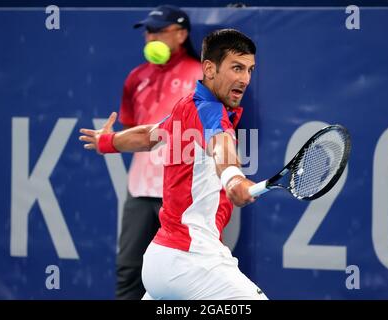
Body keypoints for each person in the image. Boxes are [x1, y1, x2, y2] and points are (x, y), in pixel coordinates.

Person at [80, 29, 267, 300]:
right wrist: (233, 179)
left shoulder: (186, 106)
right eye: (236, 68)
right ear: (209, 69)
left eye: (250, 70)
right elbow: (221, 146)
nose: (245, 79)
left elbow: (147, 136)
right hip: (193, 261)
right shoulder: (212, 113)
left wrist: (107, 142)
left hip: (160, 262)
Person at [116, 5, 202, 300]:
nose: (151, 37)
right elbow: (131, 127)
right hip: (140, 189)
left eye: (159, 31)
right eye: (148, 32)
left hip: (183, 192)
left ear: (181, 34)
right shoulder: (135, 77)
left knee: (188, 275)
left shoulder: (201, 76)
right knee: (129, 269)